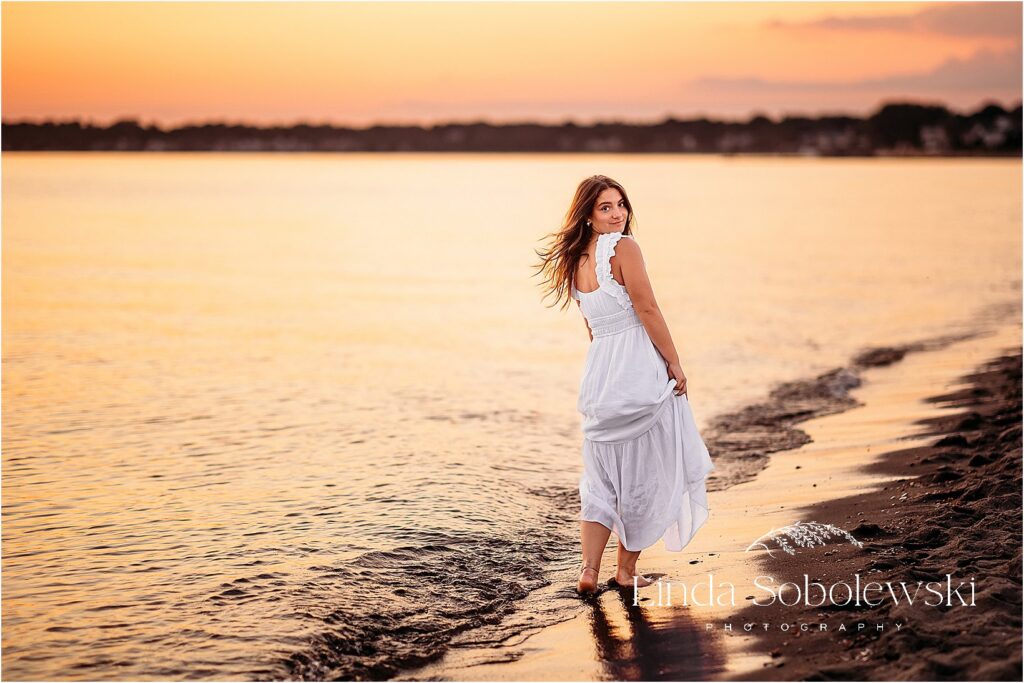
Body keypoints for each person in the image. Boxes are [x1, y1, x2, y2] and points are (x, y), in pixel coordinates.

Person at [534, 174, 715, 595]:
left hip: (600, 377)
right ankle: (626, 571)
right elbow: (646, 307)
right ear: (588, 215)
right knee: (647, 472)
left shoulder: (574, 259)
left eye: (621, 204)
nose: (617, 214)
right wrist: (674, 362)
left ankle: (589, 572)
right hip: (638, 370)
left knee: (601, 479)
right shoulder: (624, 247)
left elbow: (593, 330)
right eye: (605, 208)